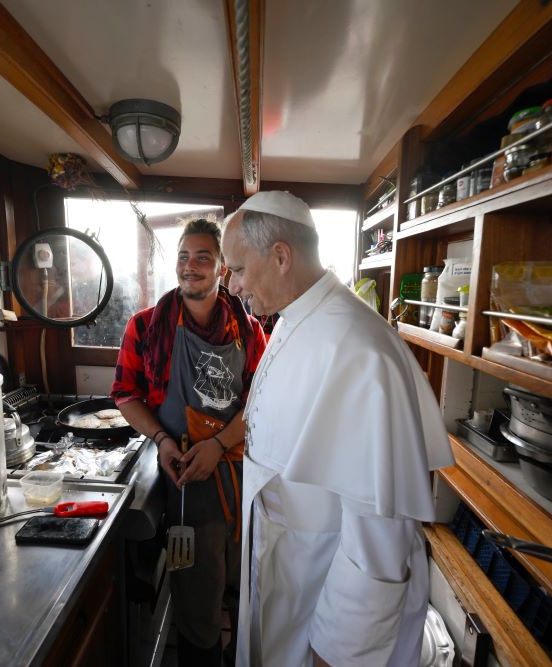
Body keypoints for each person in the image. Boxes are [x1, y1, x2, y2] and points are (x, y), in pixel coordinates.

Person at [222, 191, 454, 667]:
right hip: (287, 560)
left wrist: (340, 650)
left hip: (323, 591)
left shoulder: (360, 349)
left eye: (239, 269)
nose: (233, 285)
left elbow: (380, 534)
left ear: (281, 256)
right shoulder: (294, 318)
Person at [111, 217, 267, 666]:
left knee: (243, 582)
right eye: (183, 256)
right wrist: (161, 438)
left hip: (238, 471)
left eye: (203, 257)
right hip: (182, 476)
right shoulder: (145, 327)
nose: (190, 266)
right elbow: (125, 395)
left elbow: (260, 400)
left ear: (222, 269)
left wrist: (218, 446)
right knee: (195, 590)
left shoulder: (249, 330)